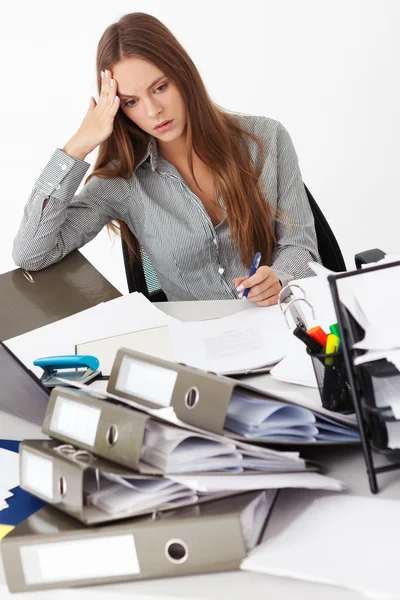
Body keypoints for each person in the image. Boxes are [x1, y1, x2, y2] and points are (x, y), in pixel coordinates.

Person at [12, 12, 319, 306]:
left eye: (160, 87)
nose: (152, 110)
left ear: (183, 75)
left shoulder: (265, 139)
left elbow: (301, 247)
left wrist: (278, 279)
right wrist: (77, 147)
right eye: (132, 101)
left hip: (282, 324)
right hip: (201, 347)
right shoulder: (123, 183)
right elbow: (32, 254)